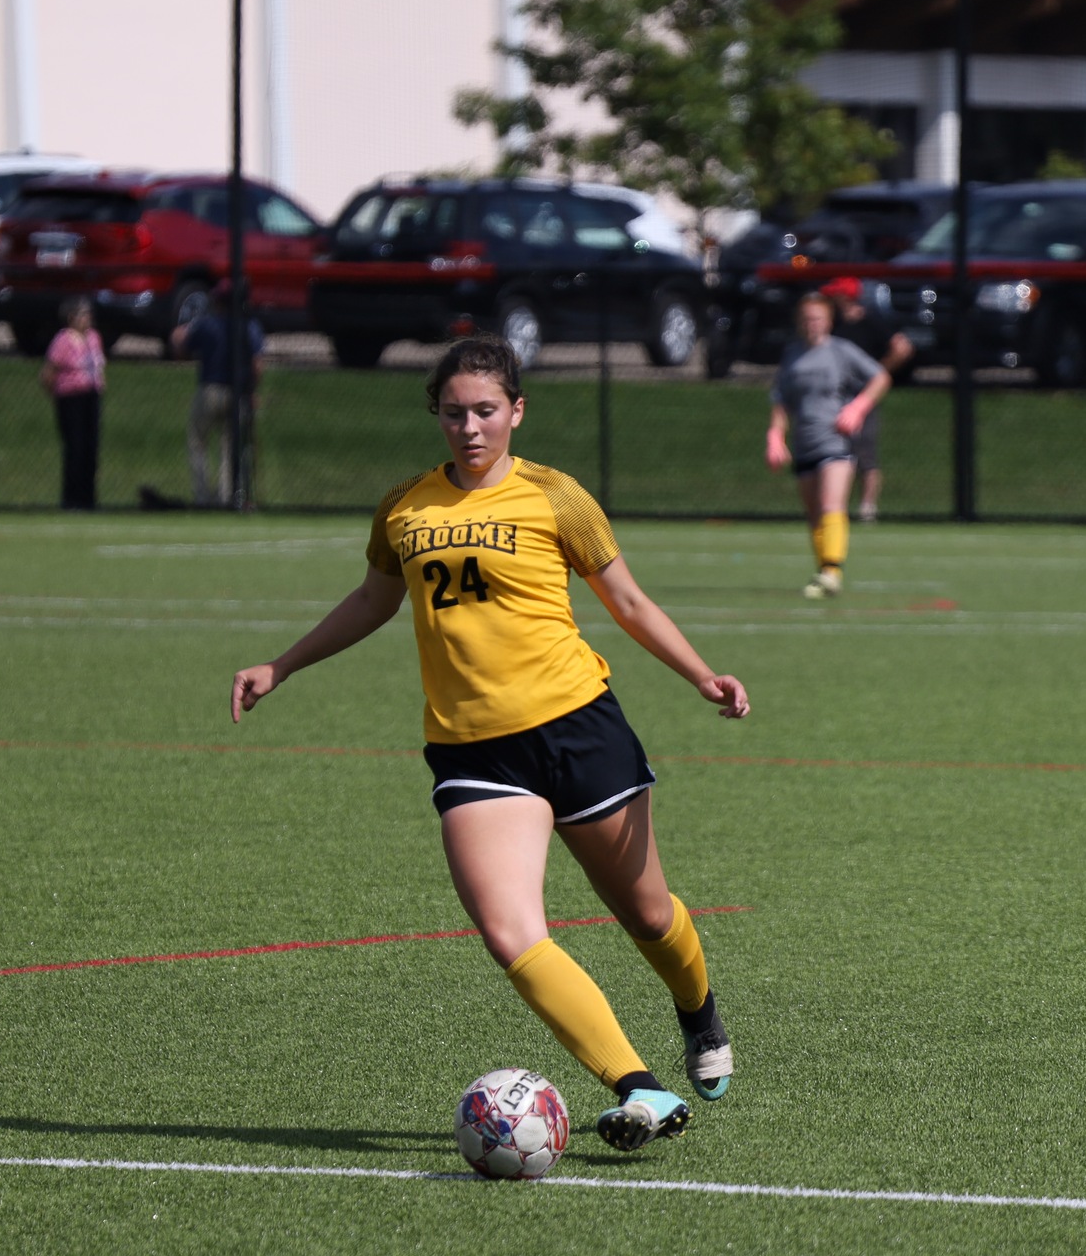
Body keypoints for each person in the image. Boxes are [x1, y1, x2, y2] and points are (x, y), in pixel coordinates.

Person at [229, 336, 750, 1152]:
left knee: (647, 914)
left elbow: (628, 600)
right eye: (452, 412)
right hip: (473, 751)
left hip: (577, 727)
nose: (468, 427)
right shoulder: (406, 507)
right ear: (434, 413)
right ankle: (639, 1088)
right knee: (512, 933)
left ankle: (700, 1014)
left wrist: (702, 675)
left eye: (484, 411)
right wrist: (282, 663)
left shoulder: (555, 496)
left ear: (515, 411)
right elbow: (372, 599)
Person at [767, 290, 891, 598]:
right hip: (804, 441)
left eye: (818, 318)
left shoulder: (841, 351)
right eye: (807, 319)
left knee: (831, 505)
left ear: (829, 321)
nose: (813, 324)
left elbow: (880, 378)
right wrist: (775, 435)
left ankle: (832, 572)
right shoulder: (792, 354)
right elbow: (781, 399)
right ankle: (824, 570)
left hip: (835, 440)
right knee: (814, 514)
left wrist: (858, 407)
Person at [820, 277, 914, 523]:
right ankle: (835, 504)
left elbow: (902, 348)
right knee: (835, 452)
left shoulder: (870, 320)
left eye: (836, 294)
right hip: (836, 396)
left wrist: (878, 373)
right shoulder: (834, 324)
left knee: (865, 453)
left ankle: (867, 507)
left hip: (863, 397)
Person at [172, 292, 266, 508]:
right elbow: (257, 365)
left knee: (198, 442)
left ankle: (203, 496)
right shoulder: (249, 326)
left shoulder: (207, 324)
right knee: (230, 446)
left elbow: (181, 348)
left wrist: (178, 334)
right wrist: (251, 390)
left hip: (209, 390)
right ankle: (226, 496)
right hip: (238, 393)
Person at [40, 297, 105, 510]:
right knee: (75, 448)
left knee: (91, 448)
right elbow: (48, 374)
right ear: (72, 318)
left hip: (91, 396)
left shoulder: (94, 338)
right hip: (70, 399)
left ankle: (89, 498)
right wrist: (57, 394)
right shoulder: (63, 341)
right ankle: (72, 499)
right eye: (83, 314)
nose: (88, 318)